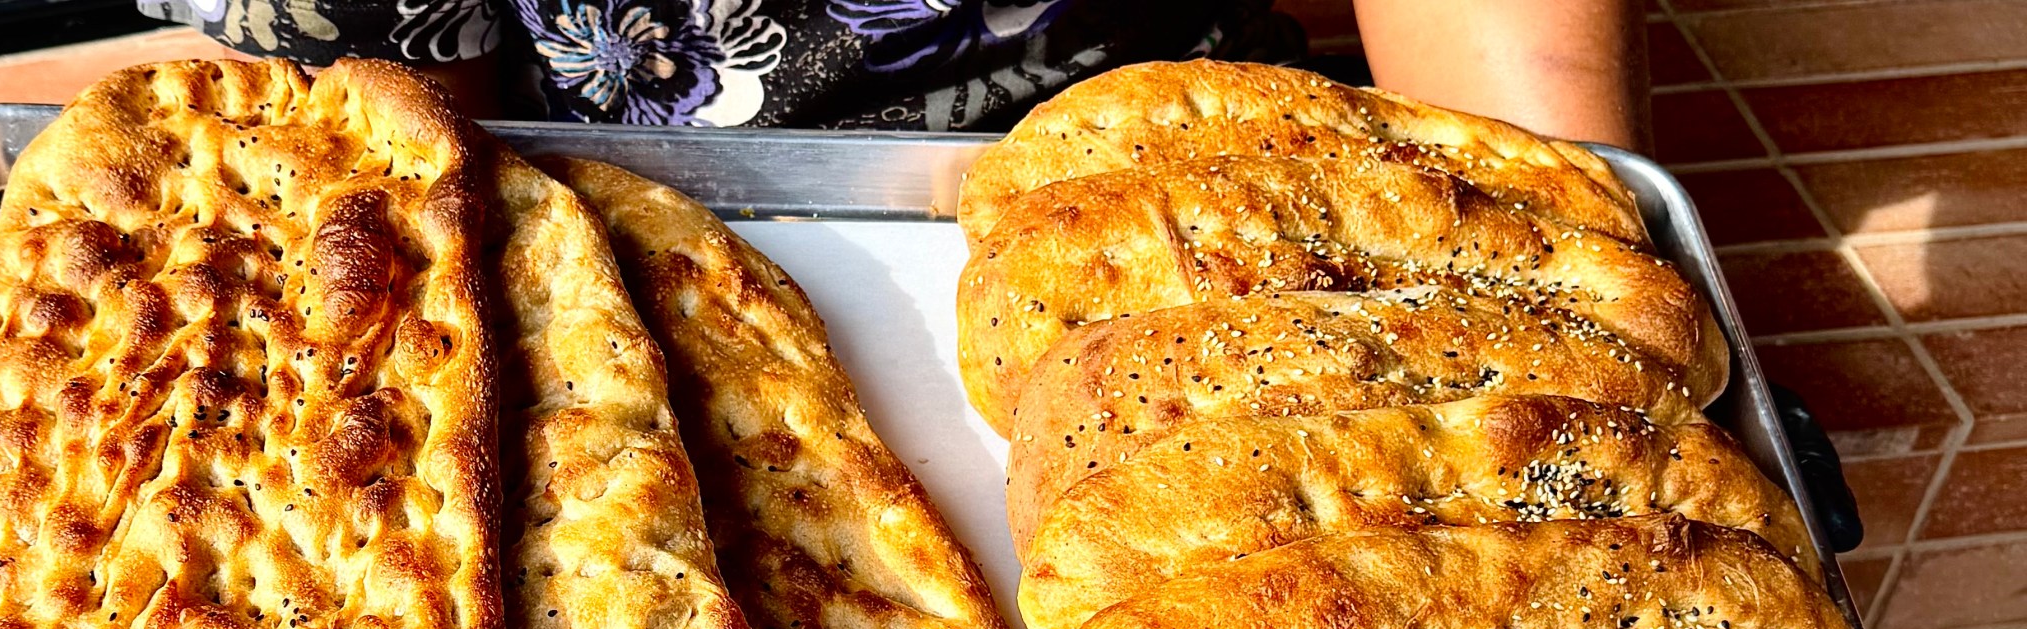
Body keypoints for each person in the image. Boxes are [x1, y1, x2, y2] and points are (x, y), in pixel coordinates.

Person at [136, 0, 1646, 149]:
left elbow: (1511, 66)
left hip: (1187, 148)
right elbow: (389, 125)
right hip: (631, 183)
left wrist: (1557, 224)